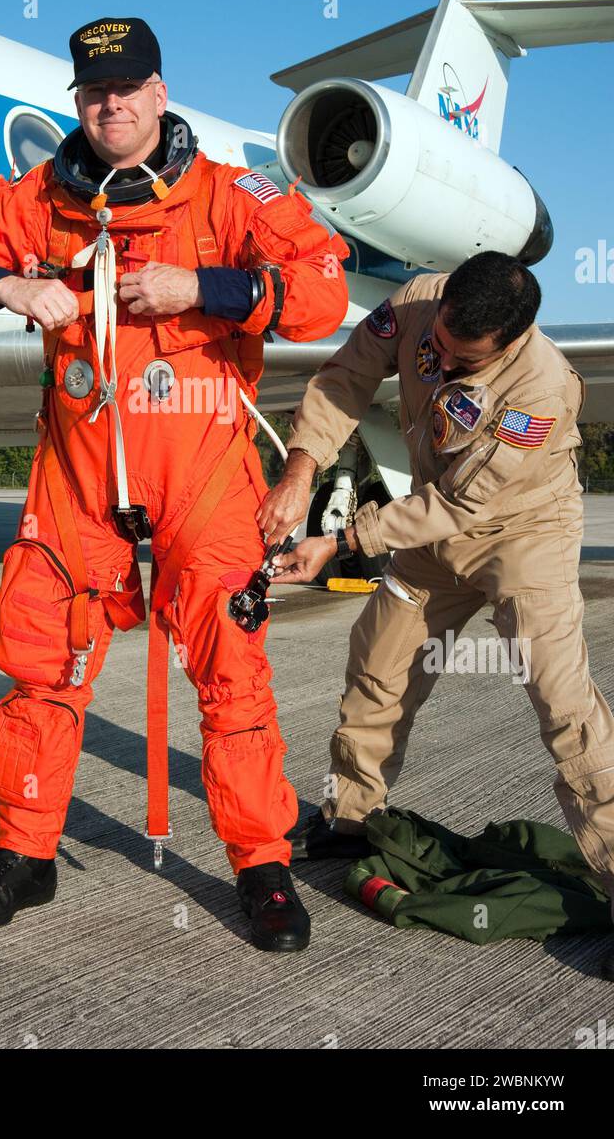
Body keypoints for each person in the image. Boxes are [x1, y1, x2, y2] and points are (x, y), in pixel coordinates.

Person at [0, 16, 350, 951]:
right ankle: (25, 853)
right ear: (82, 99)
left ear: (158, 93)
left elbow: (322, 290)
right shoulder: (37, 202)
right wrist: (8, 288)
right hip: (77, 481)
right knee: (37, 670)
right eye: (94, 90)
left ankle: (261, 865)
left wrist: (208, 290)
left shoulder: (230, 198)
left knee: (233, 678)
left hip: (203, 480)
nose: (110, 104)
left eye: (127, 87)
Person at [260, 251, 614, 978]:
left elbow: (462, 504)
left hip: (522, 537)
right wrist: (302, 466)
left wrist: (345, 541)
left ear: (509, 342)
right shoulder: (423, 301)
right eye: (439, 344)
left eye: (462, 360)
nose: (439, 358)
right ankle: (351, 818)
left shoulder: (540, 387)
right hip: (432, 528)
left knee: (565, 707)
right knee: (378, 668)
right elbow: (347, 375)